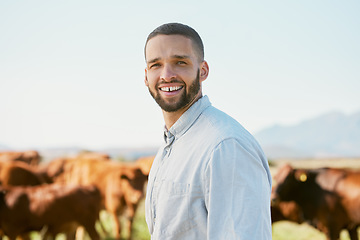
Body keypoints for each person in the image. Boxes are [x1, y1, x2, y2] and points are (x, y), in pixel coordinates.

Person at [144, 22, 272, 239]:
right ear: (146, 76)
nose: (166, 75)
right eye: (156, 65)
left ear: (202, 71)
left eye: (180, 62)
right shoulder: (171, 145)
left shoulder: (226, 147)